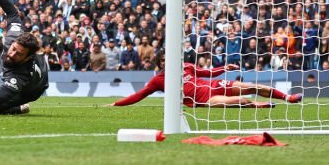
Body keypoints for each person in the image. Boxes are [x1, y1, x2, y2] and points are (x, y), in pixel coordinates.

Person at [110, 59, 302, 108]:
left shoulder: (185, 66)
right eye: (164, 62)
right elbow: (138, 95)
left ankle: (288, 98)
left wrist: (224, 68)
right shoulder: (157, 81)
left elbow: (207, 72)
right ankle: (258, 105)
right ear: (160, 65)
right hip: (205, 100)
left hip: (216, 85)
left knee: (253, 87)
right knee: (242, 100)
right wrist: (117, 103)